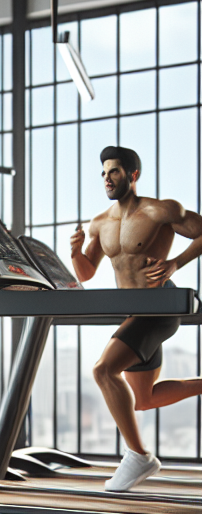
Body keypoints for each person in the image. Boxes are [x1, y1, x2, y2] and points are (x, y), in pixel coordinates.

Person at [71, 145, 202, 492]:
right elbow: (86, 273)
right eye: (103, 173)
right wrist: (75, 252)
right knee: (142, 399)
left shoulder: (161, 210)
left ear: (133, 175)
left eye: (113, 171)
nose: (107, 179)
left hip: (159, 306)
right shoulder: (100, 222)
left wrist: (176, 263)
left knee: (103, 370)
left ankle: (138, 455)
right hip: (135, 312)